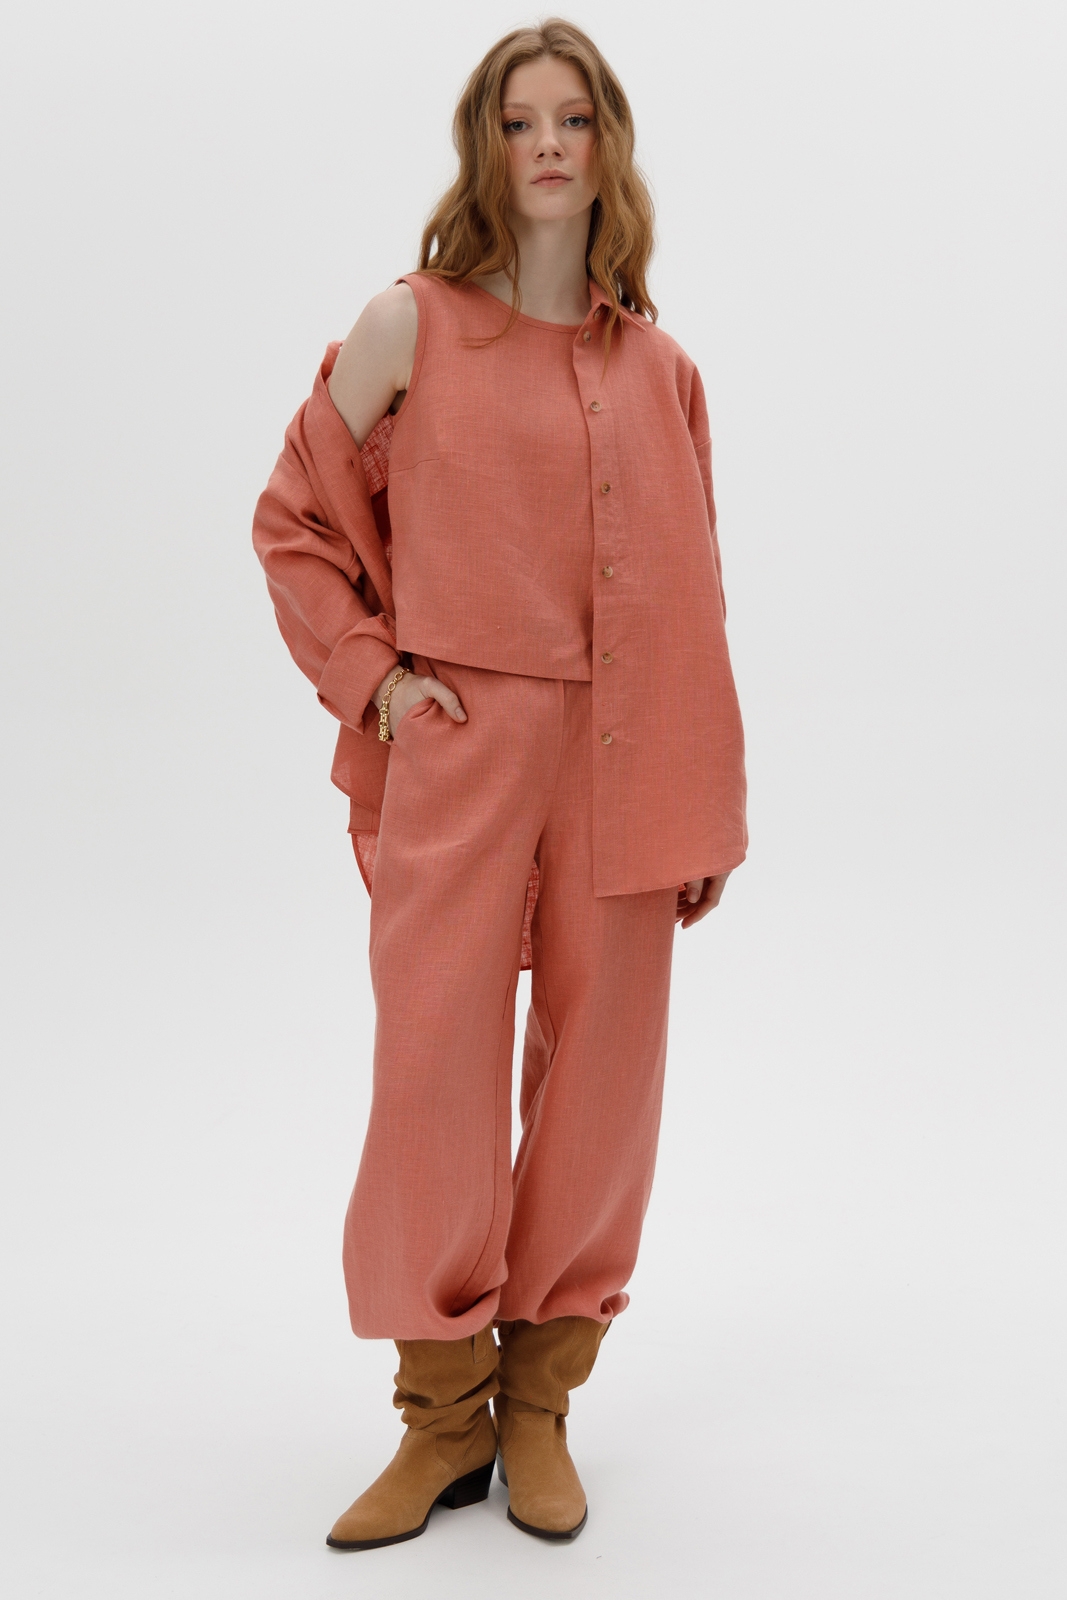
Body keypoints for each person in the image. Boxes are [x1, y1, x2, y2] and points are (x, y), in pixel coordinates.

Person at [252, 16, 746, 1553]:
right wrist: (377, 681)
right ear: (486, 145)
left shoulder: (665, 372)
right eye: (519, 120)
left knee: (604, 1084)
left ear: (608, 146)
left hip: (632, 753)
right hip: (464, 747)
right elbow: (293, 521)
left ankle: (539, 1408)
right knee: (435, 1075)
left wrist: (706, 795)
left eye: (573, 119)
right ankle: (440, 1417)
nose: (547, 145)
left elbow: (698, 595)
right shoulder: (409, 328)